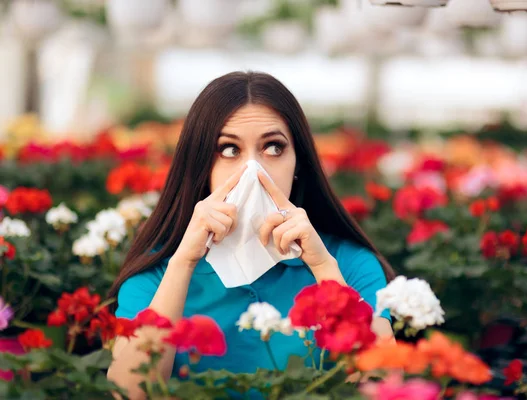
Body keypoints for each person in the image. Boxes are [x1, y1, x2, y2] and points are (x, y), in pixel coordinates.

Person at [106, 71, 395, 399]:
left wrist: (323, 267)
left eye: (273, 147)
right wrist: (183, 263)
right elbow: (129, 393)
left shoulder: (350, 263)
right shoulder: (158, 271)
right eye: (229, 150)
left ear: (298, 162)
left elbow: (384, 383)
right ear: (202, 166)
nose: (252, 171)